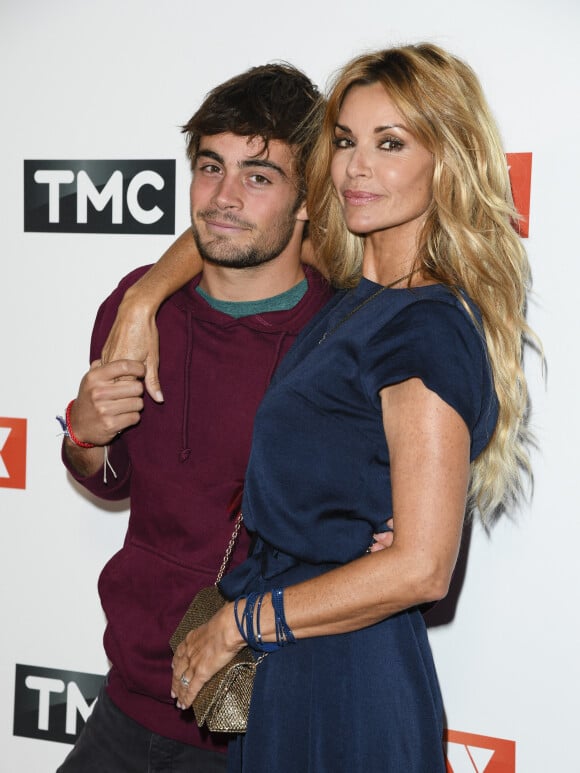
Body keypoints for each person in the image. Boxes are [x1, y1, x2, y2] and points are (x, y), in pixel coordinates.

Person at [105, 44, 533, 772]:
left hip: (346, 682)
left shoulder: (423, 325)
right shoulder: (352, 298)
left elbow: (424, 569)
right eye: (344, 142)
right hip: (293, 666)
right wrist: (146, 295)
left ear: (448, 162)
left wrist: (242, 622)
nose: (356, 167)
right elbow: (230, 225)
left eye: (390, 144)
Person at [57, 63, 352, 773]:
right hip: (127, 704)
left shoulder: (341, 339)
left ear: (307, 198)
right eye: (210, 166)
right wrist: (84, 438)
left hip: (256, 730)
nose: (223, 198)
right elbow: (112, 481)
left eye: (258, 177)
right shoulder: (138, 310)